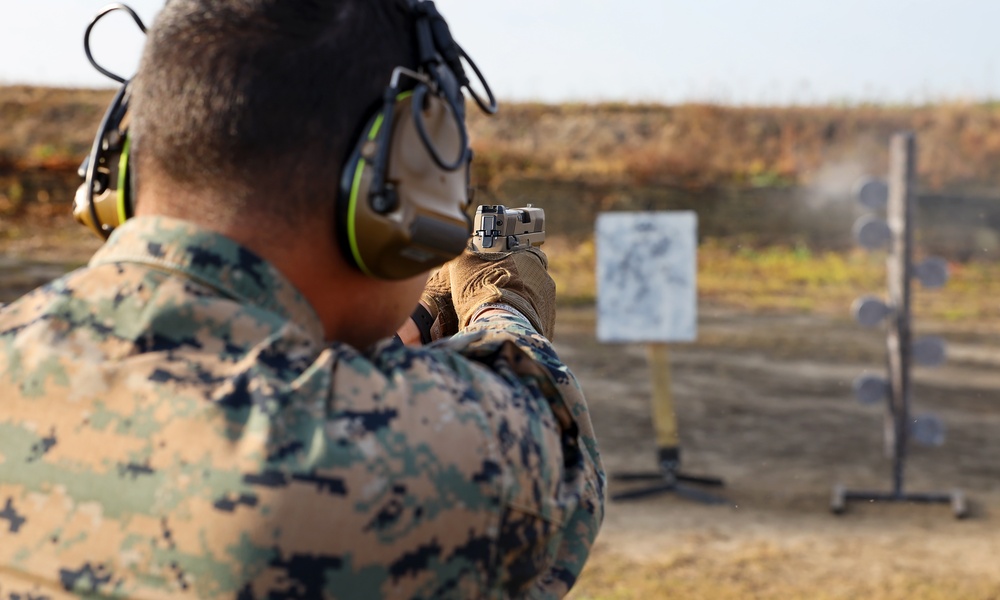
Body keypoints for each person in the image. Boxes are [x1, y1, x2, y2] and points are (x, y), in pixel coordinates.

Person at [0, 0, 604, 598]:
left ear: (120, 166)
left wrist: (417, 319)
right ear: (396, 187)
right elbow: (551, 439)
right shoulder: (375, 454)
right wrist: (503, 296)